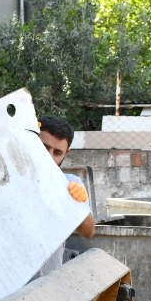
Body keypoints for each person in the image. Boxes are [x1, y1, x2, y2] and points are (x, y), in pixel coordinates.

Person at [37, 115, 95, 272]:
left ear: (66, 153)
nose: (49, 157)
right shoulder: (10, 178)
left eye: (57, 152)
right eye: (44, 147)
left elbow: (89, 231)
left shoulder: (68, 183)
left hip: (45, 282)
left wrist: (75, 204)